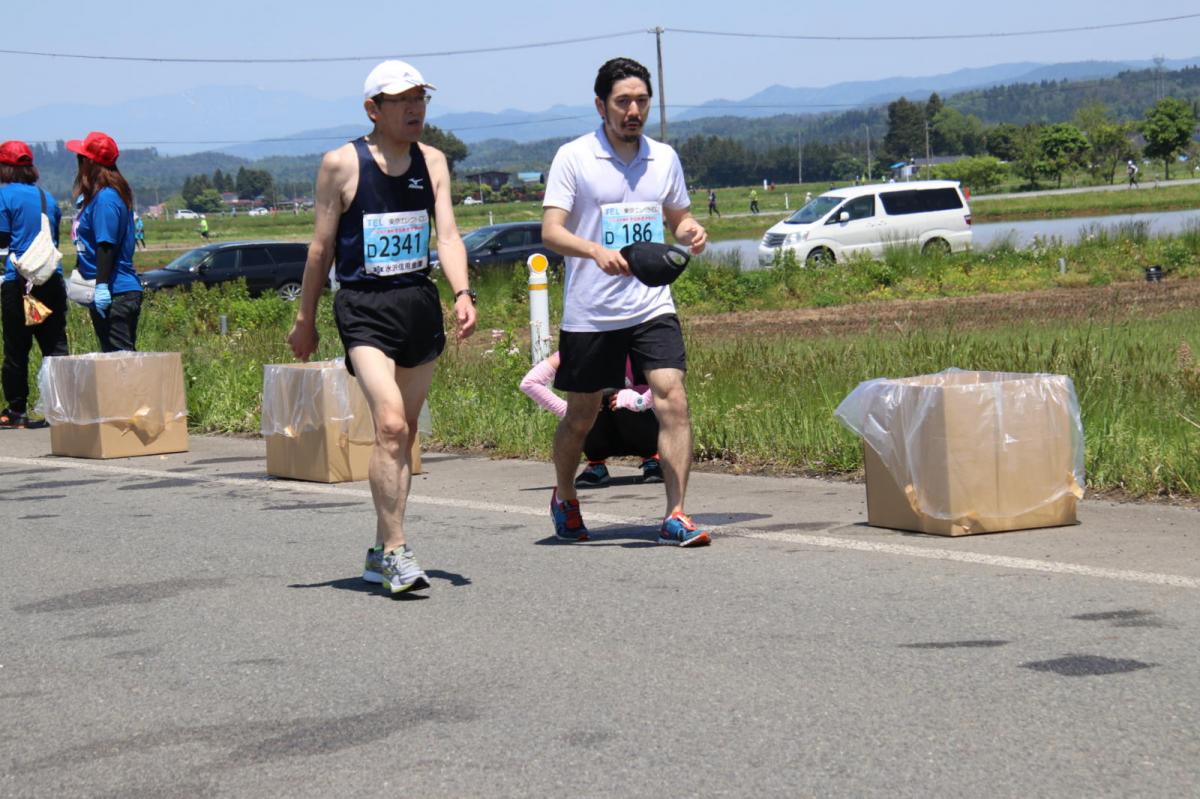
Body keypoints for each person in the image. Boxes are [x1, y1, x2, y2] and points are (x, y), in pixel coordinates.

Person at [287, 59, 477, 595]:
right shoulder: (341, 164)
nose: (415, 109)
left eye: (421, 99)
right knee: (390, 424)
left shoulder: (433, 160)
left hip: (418, 302)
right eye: (403, 100)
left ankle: (379, 548)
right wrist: (305, 320)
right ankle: (396, 551)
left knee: (405, 432)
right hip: (363, 306)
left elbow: (447, 236)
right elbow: (321, 248)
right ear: (373, 109)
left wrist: (463, 292)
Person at [541, 56, 711, 547]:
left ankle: (675, 514)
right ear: (601, 105)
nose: (633, 111)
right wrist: (594, 250)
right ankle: (565, 497)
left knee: (672, 396)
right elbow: (551, 232)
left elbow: (677, 215)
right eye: (622, 102)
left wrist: (690, 229)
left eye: (641, 101)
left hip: (651, 304)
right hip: (592, 311)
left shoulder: (664, 158)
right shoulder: (574, 157)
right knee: (581, 415)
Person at [0, 141, 68, 428]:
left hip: (18, 282)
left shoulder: (3, 196)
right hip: (51, 279)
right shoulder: (46, 197)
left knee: (17, 348)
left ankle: (17, 410)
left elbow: (2, 239)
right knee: (55, 346)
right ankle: (63, 408)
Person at [520, 351, 662, 487]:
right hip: (598, 432)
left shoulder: (642, 346)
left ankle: (652, 458)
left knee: (615, 393)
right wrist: (570, 411)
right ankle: (596, 463)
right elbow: (529, 383)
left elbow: (668, 379)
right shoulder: (580, 347)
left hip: (645, 428)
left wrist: (640, 402)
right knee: (597, 393)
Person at [67, 131, 142, 352]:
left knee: (121, 362)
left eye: (81, 158)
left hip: (115, 291)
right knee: (114, 358)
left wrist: (101, 286)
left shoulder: (106, 199)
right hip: (109, 289)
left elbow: (106, 245)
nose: (78, 163)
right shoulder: (99, 198)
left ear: (90, 162)